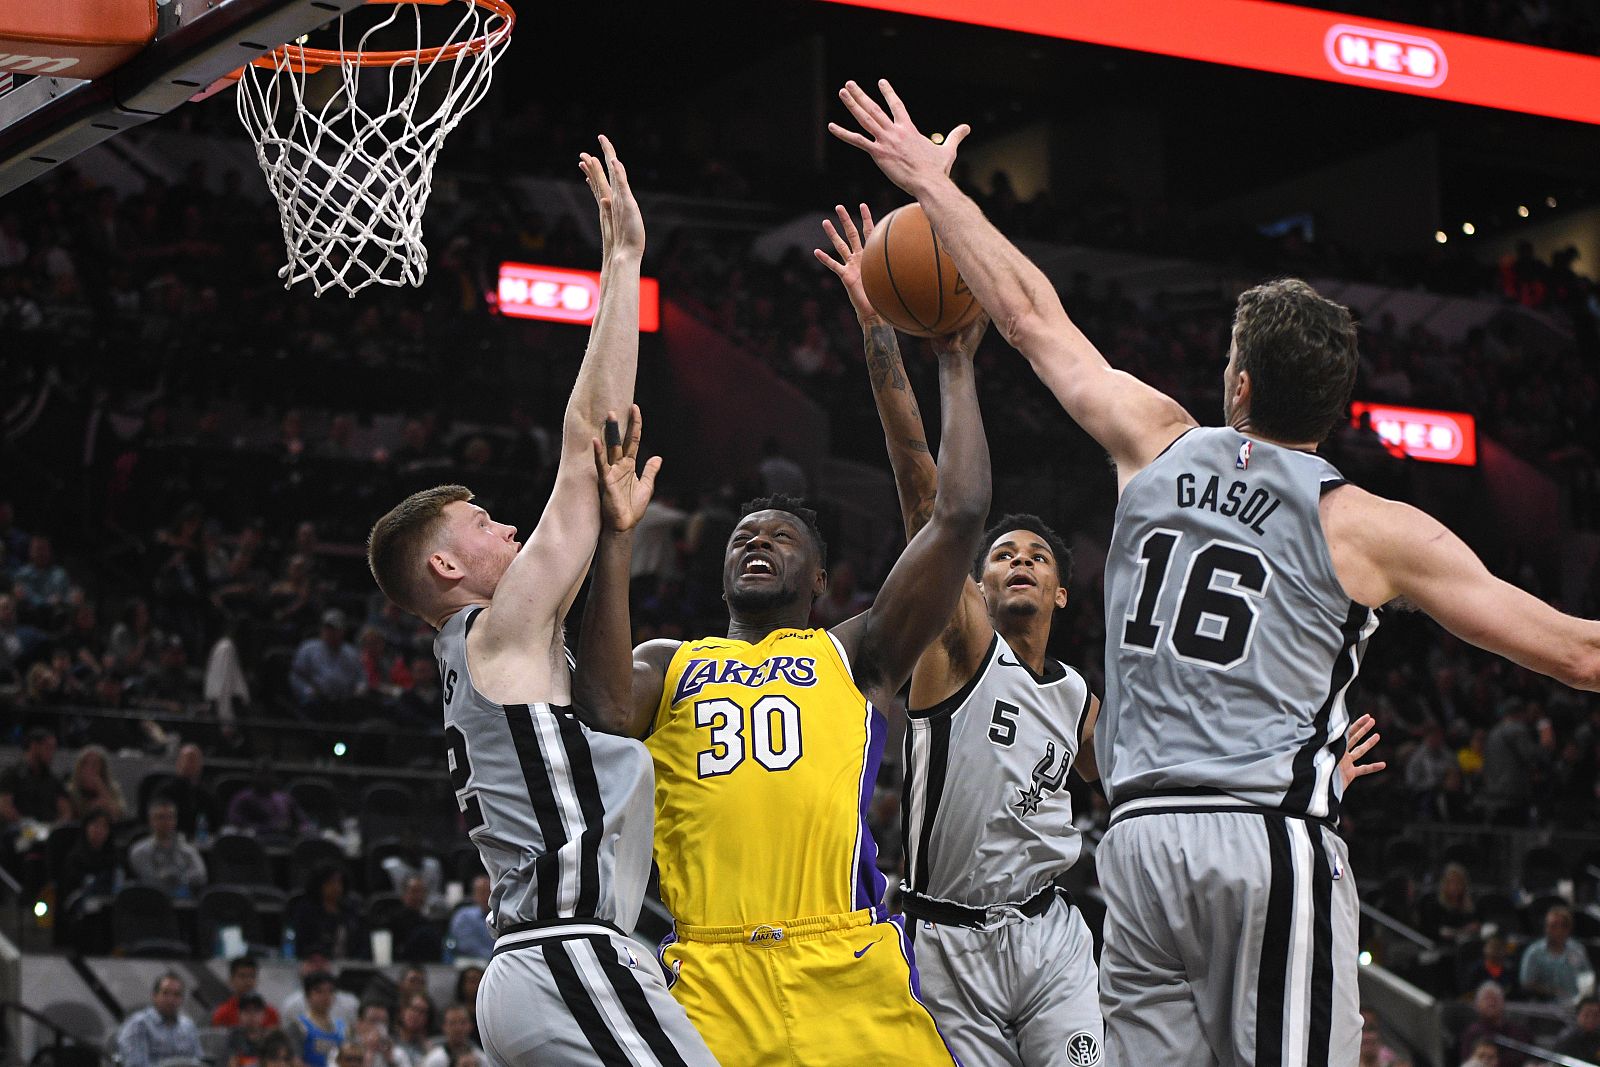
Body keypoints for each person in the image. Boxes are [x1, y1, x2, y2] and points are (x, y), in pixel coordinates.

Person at [834, 76, 1600, 1067]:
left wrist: (937, 188)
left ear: (1235, 383)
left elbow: (1025, 316)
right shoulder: (1367, 525)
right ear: (1332, 411)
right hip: (1261, 848)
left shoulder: (1156, 441)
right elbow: (1578, 653)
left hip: (1141, 848)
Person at [583, 212, 991, 1061]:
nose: (755, 539)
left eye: (779, 535)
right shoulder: (670, 663)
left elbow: (956, 516)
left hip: (845, 958)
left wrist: (951, 359)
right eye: (742, 534)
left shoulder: (855, 651)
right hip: (713, 968)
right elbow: (599, 709)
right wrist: (616, 536)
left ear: (819, 580)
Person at [364, 137, 715, 1064]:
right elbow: (580, 448)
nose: (506, 530)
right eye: (480, 521)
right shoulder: (496, 629)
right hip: (568, 954)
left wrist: (620, 538)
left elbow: (600, 693)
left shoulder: (492, 657)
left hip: (539, 961)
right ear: (445, 568)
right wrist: (625, 259)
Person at [116, 971, 203, 1067]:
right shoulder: (138, 1025)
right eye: (165, 993)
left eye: (176, 994)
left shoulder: (188, 1026)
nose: (171, 1000)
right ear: (155, 996)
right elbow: (136, 1064)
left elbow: (198, 1061)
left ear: (182, 999)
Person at [127, 797, 206, 896]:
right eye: (160, 817)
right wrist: (177, 878)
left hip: (184, 902)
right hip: (152, 902)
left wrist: (179, 877)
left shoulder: (188, 850)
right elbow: (151, 881)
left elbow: (201, 876)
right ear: (151, 820)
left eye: (170, 817)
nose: (166, 822)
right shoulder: (139, 851)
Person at [290, 609, 366, 713]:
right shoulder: (308, 648)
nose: (330, 632)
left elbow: (361, 677)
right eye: (327, 628)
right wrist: (307, 690)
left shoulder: (351, 652)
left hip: (346, 702)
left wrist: (360, 688)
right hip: (317, 700)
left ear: (343, 630)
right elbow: (296, 676)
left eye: (334, 629)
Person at [1520, 904, 1596, 1004]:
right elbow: (1526, 983)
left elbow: (1588, 975)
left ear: (1566, 929)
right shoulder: (1534, 952)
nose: (1549, 930)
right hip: (1546, 1006)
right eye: (1548, 925)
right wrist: (1551, 991)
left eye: (1554, 926)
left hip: (1575, 1003)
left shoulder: (1577, 949)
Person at [288, 866, 367, 960]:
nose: (336, 887)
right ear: (319, 884)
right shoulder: (306, 911)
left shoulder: (350, 911)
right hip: (315, 964)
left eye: (339, 882)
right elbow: (302, 944)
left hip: (348, 964)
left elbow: (360, 943)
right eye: (331, 883)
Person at [1459, 982, 1532, 1067]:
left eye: (1495, 999)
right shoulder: (1472, 1033)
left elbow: (1532, 1058)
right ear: (1477, 1005)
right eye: (1486, 999)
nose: (1491, 1003)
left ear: (1503, 1002)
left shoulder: (1519, 1032)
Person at [286, 971, 348, 1067]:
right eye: (319, 991)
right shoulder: (298, 1026)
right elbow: (294, 1061)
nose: (325, 996)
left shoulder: (342, 1028)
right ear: (307, 996)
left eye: (330, 991)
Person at [1417, 863, 1480, 945]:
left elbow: (1476, 925)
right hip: (1441, 947)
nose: (1455, 886)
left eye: (1459, 882)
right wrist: (1458, 931)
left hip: (1466, 946)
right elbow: (1432, 930)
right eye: (1452, 882)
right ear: (1445, 884)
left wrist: (1475, 928)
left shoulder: (1469, 906)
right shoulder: (1434, 904)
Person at [213, 955, 282, 1029]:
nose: (248, 981)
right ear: (231, 980)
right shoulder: (223, 1014)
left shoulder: (271, 1013)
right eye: (242, 976)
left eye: (252, 976)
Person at [66, 743, 128, 821]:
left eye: (94, 764)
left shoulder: (111, 788)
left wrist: (100, 787)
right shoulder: (71, 790)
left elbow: (119, 814)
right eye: (86, 763)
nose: (90, 768)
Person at [446, 874, 494, 960]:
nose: (487, 896)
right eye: (482, 892)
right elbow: (466, 946)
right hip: (471, 962)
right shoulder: (463, 915)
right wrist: (494, 957)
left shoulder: (501, 916)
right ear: (474, 895)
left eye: (489, 892)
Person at [1549, 995, 1600, 1064]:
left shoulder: (1596, 1036)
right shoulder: (1567, 1039)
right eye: (1587, 1014)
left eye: (1596, 1015)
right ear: (1578, 1015)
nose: (1591, 1019)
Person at [225, 992, 272, 1067]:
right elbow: (231, 1062)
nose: (252, 1015)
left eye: (256, 1011)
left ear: (264, 1014)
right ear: (239, 1014)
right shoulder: (233, 1037)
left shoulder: (271, 1038)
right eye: (247, 1011)